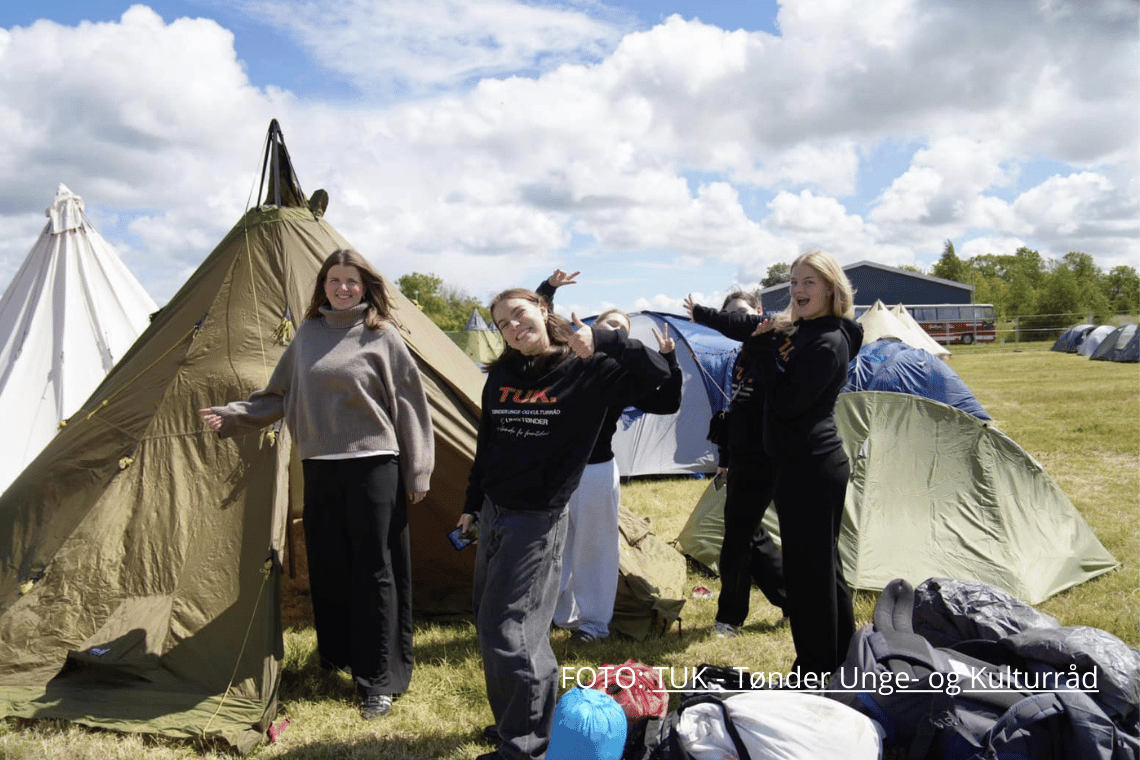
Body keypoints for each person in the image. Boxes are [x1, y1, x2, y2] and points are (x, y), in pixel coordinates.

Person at [200, 249, 433, 721]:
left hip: (374, 465)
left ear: (366, 287)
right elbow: (279, 398)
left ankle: (379, 680)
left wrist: (418, 471)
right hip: (321, 466)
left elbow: (409, 402)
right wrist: (233, 416)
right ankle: (340, 658)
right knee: (330, 567)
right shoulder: (307, 335)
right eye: (334, 280)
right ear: (323, 285)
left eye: (352, 281)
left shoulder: (381, 335)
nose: (343, 288)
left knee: (374, 572)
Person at [457, 287, 670, 760]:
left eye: (519, 315)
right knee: (492, 623)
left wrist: (606, 341)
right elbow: (487, 444)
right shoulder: (504, 375)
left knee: (515, 629)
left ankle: (527, 745)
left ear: (543, 310)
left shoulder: (586, 367)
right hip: (495, 510)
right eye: (503, 324)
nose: (513, 327)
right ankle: (515, 722)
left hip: (538, 516)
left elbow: (659, 380)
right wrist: (472, 504)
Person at [536, 270, 682, 644]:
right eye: (607, 324)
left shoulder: (620, 374)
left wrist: (674, 362)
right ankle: (560, 615)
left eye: (621, 328)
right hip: (553, 469)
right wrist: (549, 288)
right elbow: (536, 318)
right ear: (592, 327)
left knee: (595, 547)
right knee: (558, 545)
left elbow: (666, 400)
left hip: (595, 470)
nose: (615, 329)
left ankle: (593, 624)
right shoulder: (564, 356)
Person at [746, 250, 862, 675]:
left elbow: (788, 402)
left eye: (809, 282)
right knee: (821, 568)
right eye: (794, 282)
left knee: (807, 576)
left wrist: (762, 357)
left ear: (832, 288)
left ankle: (814, 669)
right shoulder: (807, 331)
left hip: (812, 467)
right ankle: (843, 658)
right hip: (799, 464)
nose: (797, 290)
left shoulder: (829, 340)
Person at [683, 289, 787, 638]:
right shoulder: (741, 354)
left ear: (758, 311)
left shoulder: (778, 343)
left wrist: (706, 312)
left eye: (743, 312)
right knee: (746, 535)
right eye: (732, 314)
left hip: (777, 456)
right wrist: (725, 458)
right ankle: (787, 602)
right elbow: (736, 409)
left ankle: (729, 617)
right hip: (744, 457)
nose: (738, 319)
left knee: (743, 537)